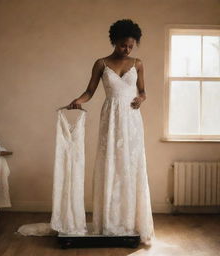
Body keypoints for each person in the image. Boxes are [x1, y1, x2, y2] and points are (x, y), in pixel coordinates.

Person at [66, 18, 155, 245]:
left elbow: (143, 91)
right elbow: (90, 91)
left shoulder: (138, 63)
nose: (127, 50)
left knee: (130, 165)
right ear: (115, 41)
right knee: (111, 165)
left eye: (131, 46)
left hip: (132, 120)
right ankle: (109, 221)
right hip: (111, 119)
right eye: (123, 45)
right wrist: (78, 100)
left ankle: (130, 222)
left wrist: (141, 99)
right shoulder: (101, 63)